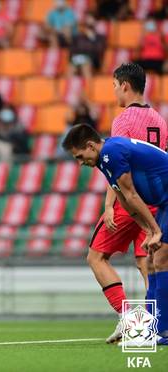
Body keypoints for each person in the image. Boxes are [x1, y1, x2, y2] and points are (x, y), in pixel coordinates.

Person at [81, 63, 168, 344]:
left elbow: (118, 167)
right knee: (151, 261)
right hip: (157, 199)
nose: (114, 91)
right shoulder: (159, 118)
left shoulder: (123, 119)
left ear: (125, 85)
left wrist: (109, 205)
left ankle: (129, 320)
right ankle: (153, 325)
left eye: (115, 86)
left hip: (131, 199)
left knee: (96, 257)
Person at [62, 124, 168, 347]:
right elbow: (124, 201)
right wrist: (149, 230)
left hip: (164, 201)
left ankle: (161, 330)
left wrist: (156, 231)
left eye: (80, 156)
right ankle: (153, 328)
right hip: (162, 203)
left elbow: (131, 194)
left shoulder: (111, 153)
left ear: (91, 146)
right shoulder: (104, 158)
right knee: (151, 262)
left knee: (161, 260)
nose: (80, 162)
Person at [67, 13, 106, 80]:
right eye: (87, 19)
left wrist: (92, 38)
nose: (89, 21)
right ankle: (68, 87)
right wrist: (75, 56)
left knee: (85, 66)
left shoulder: (99, 37)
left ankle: (89, 88)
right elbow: (72, 49)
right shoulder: (79, 37)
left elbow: (99, 50)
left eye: (91, 19)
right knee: (71, 68)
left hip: (92, 59)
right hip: (78, 58)